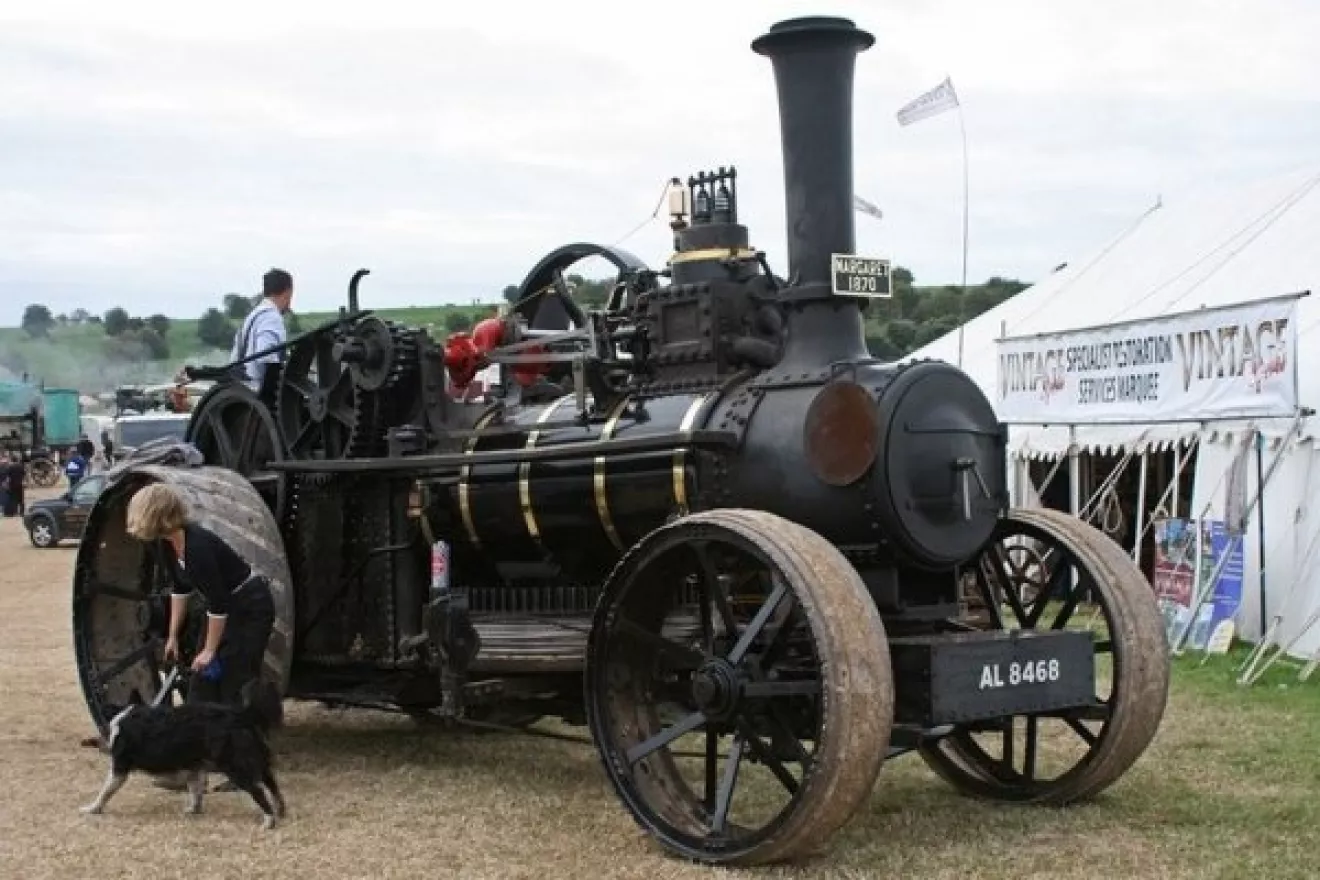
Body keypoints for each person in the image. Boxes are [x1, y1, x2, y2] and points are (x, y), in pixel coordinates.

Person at [125, 483, 277, 793]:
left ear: (157, 515)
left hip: (249, 609)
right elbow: (180, 590)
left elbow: (219, 605)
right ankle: (188, 769)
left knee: (234, 683)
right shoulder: (167, 544)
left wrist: (209, 650)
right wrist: (172, 636)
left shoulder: (198, 548)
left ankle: (245, 767)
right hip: (224, 610)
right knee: (200, 687)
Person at [230, 268, 295, 391]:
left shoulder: (252, 316)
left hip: (239, 389)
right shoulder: (271, 317)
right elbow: (266, 356)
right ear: (288, 292)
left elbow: (235, 358)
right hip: (257, 391)